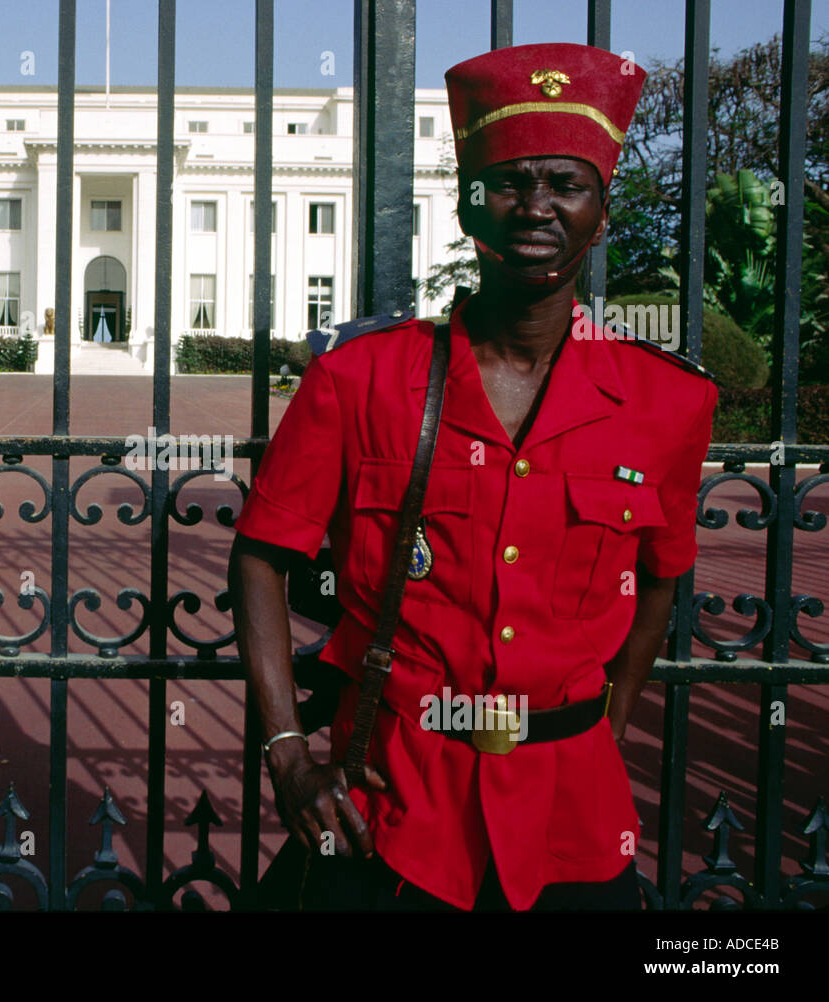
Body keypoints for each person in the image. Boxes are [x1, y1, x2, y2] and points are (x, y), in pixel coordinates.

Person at [228, 42, 718, 911]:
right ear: (467, 208)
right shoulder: (359, 380)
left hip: (572, 811)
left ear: (600, 215)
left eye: (566, 184)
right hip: (389, 796)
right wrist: (287, 752)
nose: (536, 206)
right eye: (509, 181)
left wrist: (603, 729)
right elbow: (263, 554)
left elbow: (660, 584)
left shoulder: (665, 402)